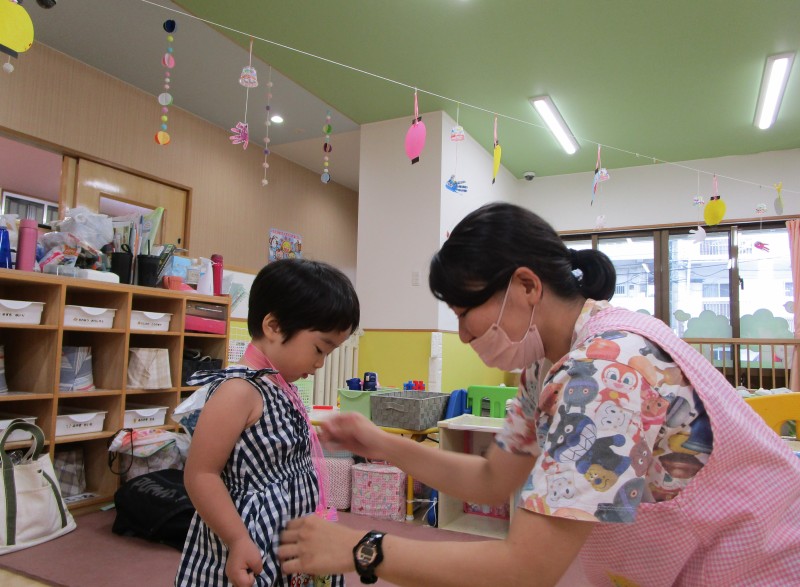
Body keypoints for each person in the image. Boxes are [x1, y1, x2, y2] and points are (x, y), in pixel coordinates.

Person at [278, 202, 800, 586]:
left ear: (527, 286)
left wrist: (362, 548)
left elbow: (525, 569)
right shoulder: (545, 370)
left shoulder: (604, 371)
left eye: (464, 312)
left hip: (762, 566)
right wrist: (380, 442)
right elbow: (491, 478)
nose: (462, 334)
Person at [175, 258, 360, 587]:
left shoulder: (280, 385)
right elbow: (200, 474)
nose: (320, 363)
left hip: (286, 534)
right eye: (320, 349)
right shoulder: (238, 391)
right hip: (248, 539)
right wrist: (236, 539)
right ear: (273, 326)